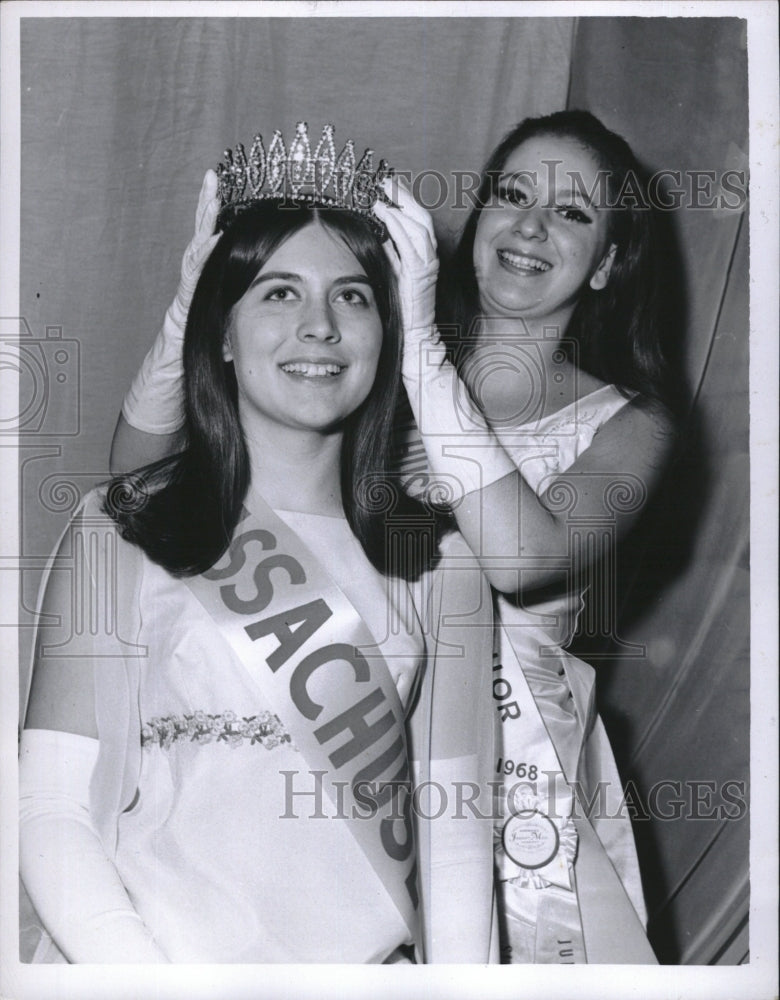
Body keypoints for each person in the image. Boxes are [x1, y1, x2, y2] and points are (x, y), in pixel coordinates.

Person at [19, 124, 496, 964]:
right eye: (278, 293)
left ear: (388, 333)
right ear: (222, 333)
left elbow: (456, 840)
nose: (319, 326)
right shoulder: (120, 526)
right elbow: (50, 806)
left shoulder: (442, 558)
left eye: (352, 296)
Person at [373, 109, 676, 964]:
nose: (531, 226)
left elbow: (521, 557)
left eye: (574, 213)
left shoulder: (630, 423)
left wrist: (422, 351)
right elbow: (151, 472)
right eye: (512, 194)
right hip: (356, 732)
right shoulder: (367, 365)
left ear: (610, 263)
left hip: (518, 776)